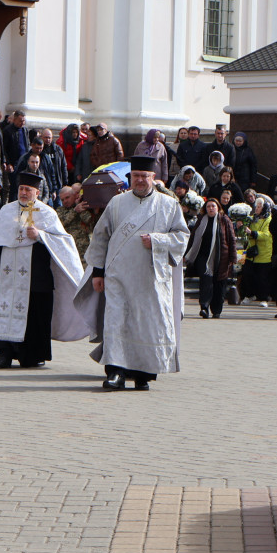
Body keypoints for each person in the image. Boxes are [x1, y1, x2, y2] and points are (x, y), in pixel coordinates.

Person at [74, 156, 189, 391]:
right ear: (130, 178)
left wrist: (157, 241)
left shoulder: (168, 205)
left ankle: (143, 373)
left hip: (151, 279)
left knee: (146, 324)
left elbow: (182, 237)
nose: (140, 180)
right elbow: (101, 237)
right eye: (136, 176)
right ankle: (115, 372)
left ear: (153, 178)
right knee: (116, 322)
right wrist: (98, 271)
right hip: (119, 277)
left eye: (144, 176)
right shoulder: (116, 203)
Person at [0, 172, 90, 368]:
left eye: (28, 190)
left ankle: (31, 355)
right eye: (21, 189)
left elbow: (63, 242)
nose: (24, 193)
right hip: (9, 274)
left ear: (37, 192)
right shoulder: (7, 211)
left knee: (35, 314)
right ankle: (4, 353)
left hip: (36, 276)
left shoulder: (47, 213)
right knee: (7, 309)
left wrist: (40, 235)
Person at [183, 198, 237, 319]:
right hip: (203, 256)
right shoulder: (202, 220)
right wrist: (187, 254)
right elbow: (193, 237)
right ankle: (204, 307)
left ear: (218, 208)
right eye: (208, 206)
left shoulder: (224, 220)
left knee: (219, 283)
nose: (211, 208)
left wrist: (233, 257)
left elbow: (231, 239)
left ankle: (216, 310)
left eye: (213, 206)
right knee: (205, 281)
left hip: (221, 257)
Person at [56, 186, 95, 263]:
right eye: (62, 200)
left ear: (74, 196)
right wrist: (74, 211)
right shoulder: (60, 210)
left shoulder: (82, 207)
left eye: (67, 197)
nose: (65, 201)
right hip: (68, 249)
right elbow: (61, 223)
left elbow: (89, 221)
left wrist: (80, 208)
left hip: (84, 250)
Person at [38, 128, 68, 200]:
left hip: (58, 182)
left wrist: (65, 181)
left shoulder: (58, 150)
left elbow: (63, 166)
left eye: (49, 138)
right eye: (45, 137)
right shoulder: (40, 151)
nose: (47, 140)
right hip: (46, 182)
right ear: (41, 137)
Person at [0, 111, 30, 177]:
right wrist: (8, 163)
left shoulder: (25, 130)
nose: (22, 123)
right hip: (13, 163)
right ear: (14, 120)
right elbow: (4, 148)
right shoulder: (7, 131)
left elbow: (27, 144)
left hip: (24, 162)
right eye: (20, 121)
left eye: (24, 121)